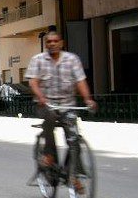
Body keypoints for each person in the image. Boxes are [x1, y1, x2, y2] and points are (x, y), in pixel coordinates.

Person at [27, 31, 97, 171]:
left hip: (68, 105)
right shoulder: (38, 60)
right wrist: (41, 97)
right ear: (46, 44)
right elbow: (33, 82)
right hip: (46, 104)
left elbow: (80, 81)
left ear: (61, 43)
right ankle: (49, 154)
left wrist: (88, 99)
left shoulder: (72, 59)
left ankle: (74, 173)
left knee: (74, 137)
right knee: (50, 118)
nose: (52, 44)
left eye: (55, 41)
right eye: (49, 41)